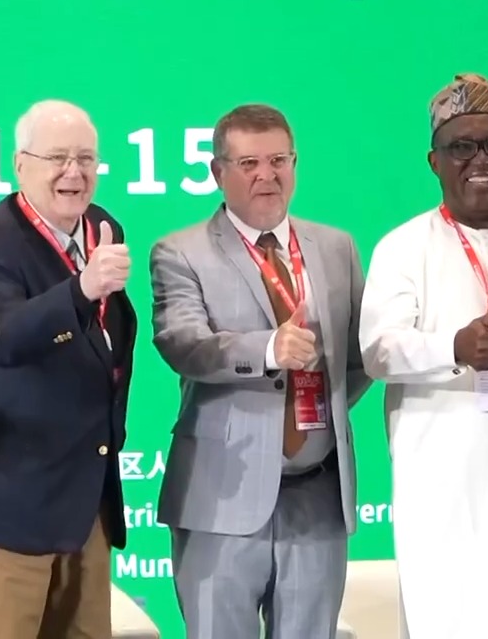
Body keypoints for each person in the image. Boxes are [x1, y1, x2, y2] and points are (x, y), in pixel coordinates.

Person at [149, 103, 370, 639]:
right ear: (217, 172)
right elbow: (184, 344)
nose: (266, 175)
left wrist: (315, 414)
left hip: (318, 496)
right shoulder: (180, 252)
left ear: (295, 164)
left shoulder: (336, 247)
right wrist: (270, 349)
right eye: (248, 163)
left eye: (278, 160)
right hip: (221, 495)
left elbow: (358, 357)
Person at [359, 73, 488, 639]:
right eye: (462, 147)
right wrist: (452, 347)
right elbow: (377, 349)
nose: (481, 160)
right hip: (445, 487)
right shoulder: (404, 248)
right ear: (435, 162)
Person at [0, 99, 138, 639]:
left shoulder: (103, 228)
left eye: (86, 158)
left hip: (86, 506)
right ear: (20, 165)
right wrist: (82, 288)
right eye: (58, 158)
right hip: (6, 510)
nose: (75, 172)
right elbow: (2, 338)